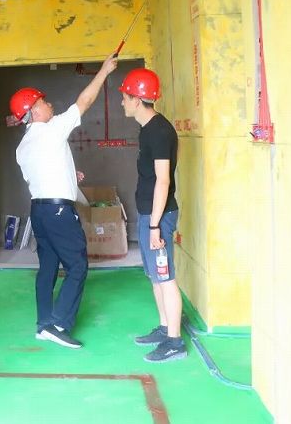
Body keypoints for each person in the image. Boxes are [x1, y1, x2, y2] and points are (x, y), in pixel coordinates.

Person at [10, 54, 117, 349]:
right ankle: (58, 325)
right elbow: (84, 101)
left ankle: (43, 323)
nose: (50, 105)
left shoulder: (24, 145)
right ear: (33, 111)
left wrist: (70, 174)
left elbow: (42, 174)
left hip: (40, 211)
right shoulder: (52, 129)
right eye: (43, 102)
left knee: (47, 267)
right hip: (59, 212)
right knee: (77, 266)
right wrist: (104, 71)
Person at [119, 68, 187, 363]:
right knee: (155, 276)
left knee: (165, 276)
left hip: (158, 217)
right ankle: (164, 327)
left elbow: (163, 180)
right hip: (150, 214)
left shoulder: (159, 131)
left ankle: (175, 342)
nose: (122, 102)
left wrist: (155, 225)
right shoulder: (148, 129)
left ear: (137, 99)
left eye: (125, 97)